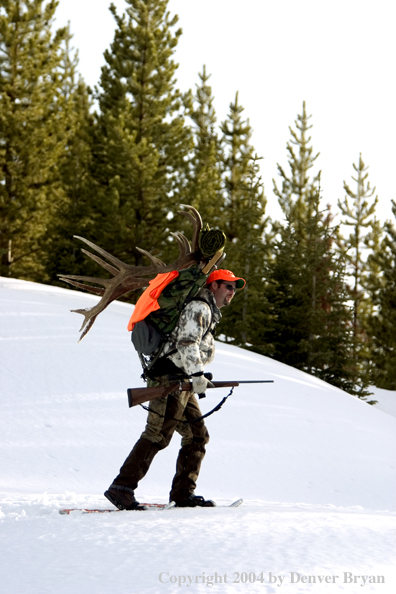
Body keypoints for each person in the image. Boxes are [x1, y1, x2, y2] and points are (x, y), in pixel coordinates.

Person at [104, 269, 246, 509]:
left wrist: (196, 374)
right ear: (214, 286)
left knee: (197, 436)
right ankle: (121, 488)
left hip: (182, 381)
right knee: (157, 434)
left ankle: (182, 494)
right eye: (228, 286)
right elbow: (187, 342)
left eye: (234, 287)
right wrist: (198, 373)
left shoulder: (208, 309)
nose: (232, 291)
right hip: (169, 380)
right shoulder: (200, 307)